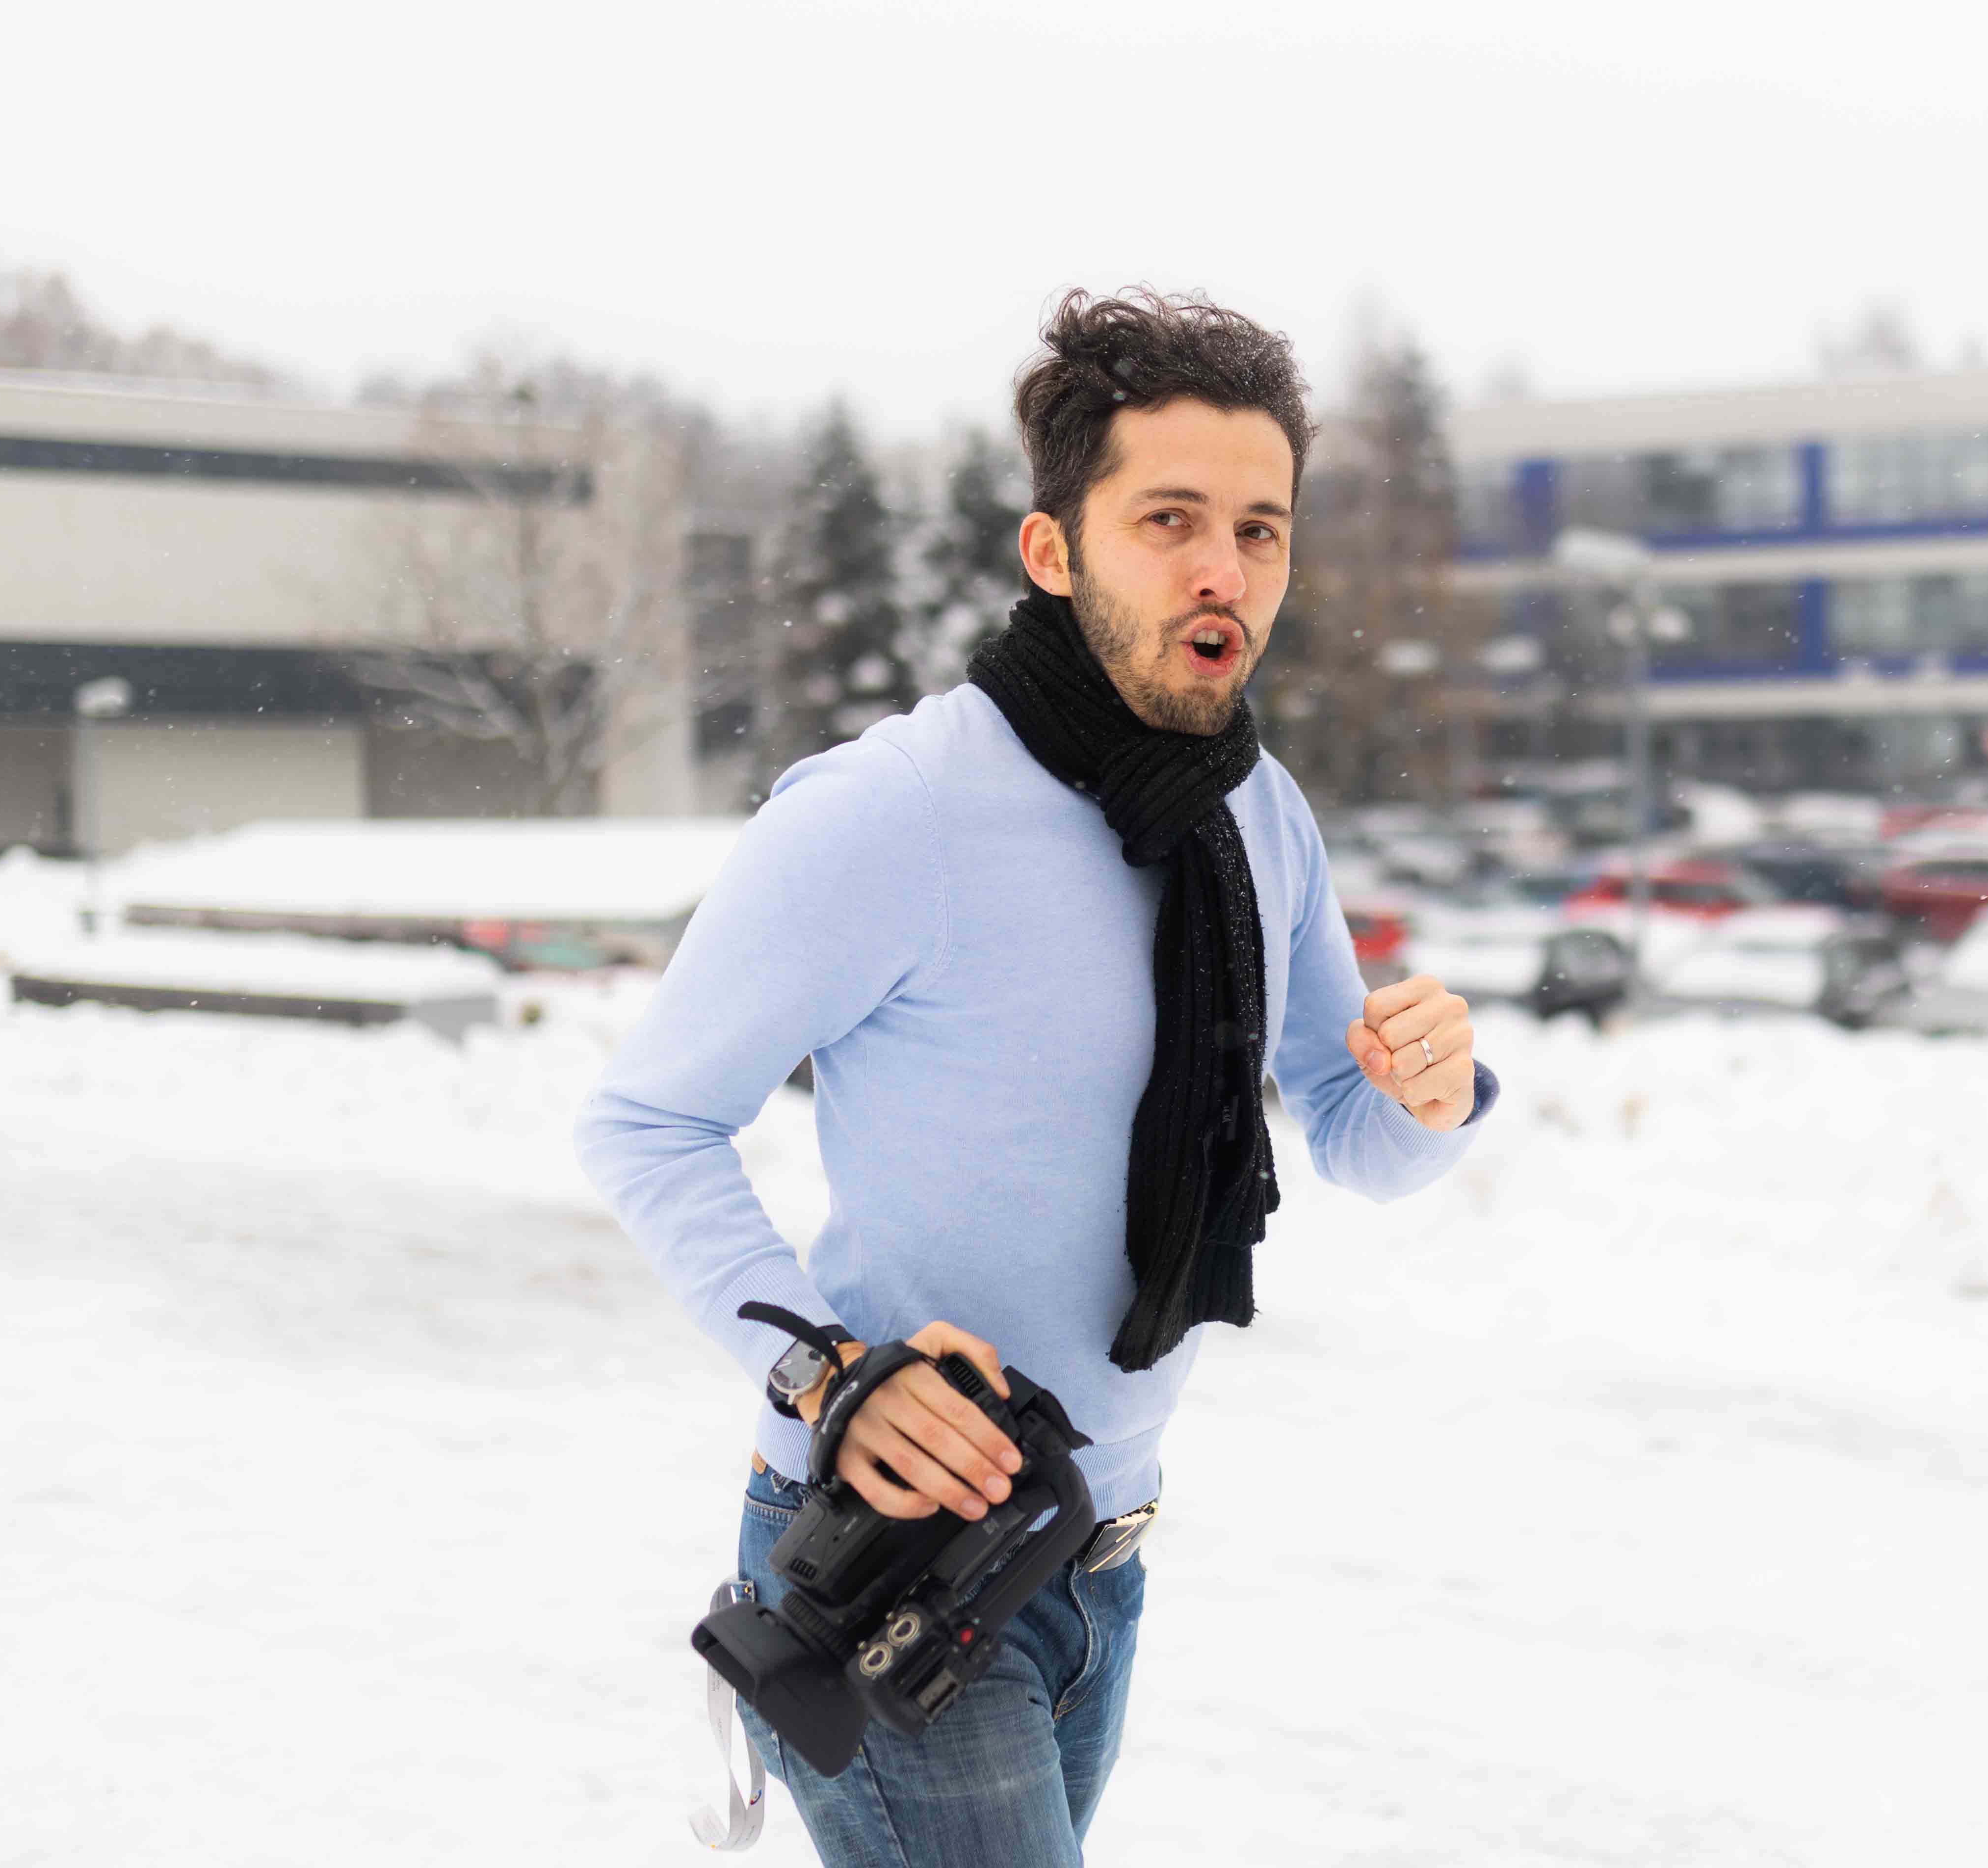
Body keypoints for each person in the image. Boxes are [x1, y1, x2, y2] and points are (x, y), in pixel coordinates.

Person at [574, 287, 1499, 1866]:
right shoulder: (896, 809)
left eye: (1261, 532)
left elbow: (1352, 1134)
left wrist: (1433, 1095)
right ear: (1054, 551)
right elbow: (647, 1121)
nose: (1224, 572)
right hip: (887, 1560)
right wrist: (828, 1376)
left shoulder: (1252, 813)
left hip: (1096, 1556)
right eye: (1170, 521)